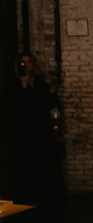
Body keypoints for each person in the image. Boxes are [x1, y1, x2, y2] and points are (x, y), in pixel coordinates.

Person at [7, 52, 65, 203]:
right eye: (23, 62)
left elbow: (51, 103)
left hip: (42, 126)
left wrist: (52, 88)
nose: (26, 64)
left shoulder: (39, 80)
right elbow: (20, 106)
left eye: (29, 61)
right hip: (25, 129)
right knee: (29, 161)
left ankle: (48, 195)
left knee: (46, 160)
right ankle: (29, 196)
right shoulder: (14, 82)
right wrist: (24, 84)